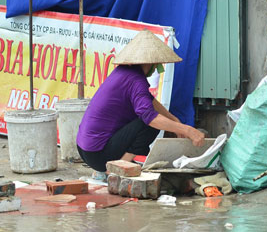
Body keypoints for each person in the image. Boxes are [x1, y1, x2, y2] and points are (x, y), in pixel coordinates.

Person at [77, 29, 205, 176]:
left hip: (85, 150)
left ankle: (121, 164)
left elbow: (150, 101)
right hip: (98, 154)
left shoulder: (123, 73)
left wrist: (176, 123)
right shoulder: (135, 80)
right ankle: (117, 169)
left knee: (149, 120)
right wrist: (187, 130)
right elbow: (150, 117)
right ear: (150, 62)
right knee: (149, 124)